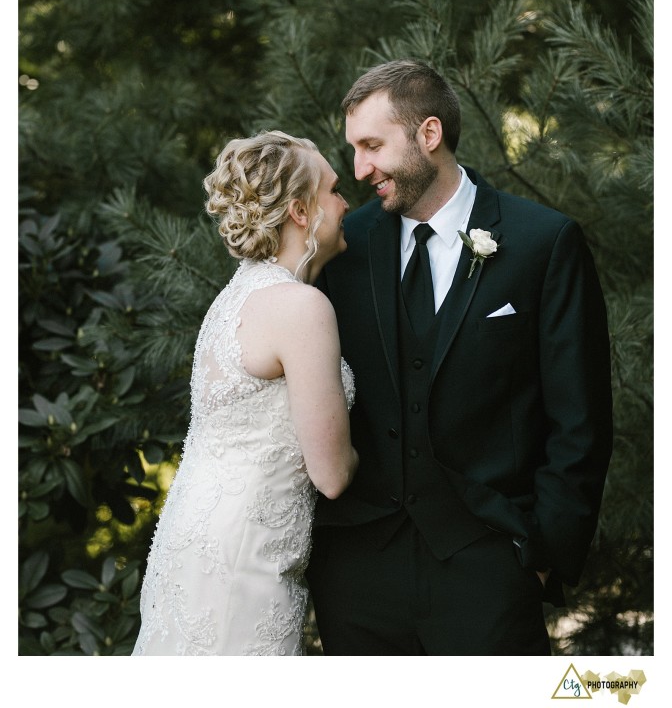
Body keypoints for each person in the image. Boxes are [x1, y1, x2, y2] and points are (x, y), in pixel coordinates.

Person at [306, 59, 612, 656]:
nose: (359, 168)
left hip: (490, 568)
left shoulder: (542, 242)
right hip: (357, 575)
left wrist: (541, 557)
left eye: (372, 145)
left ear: (429, 134)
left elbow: (580, 419)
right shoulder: (342, 249)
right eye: (353, 149)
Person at [132, 130, 357, 656]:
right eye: (334, 190)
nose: (346, 203)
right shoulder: (299, 306)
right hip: (244, 564)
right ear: (302, 212)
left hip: (192, 543)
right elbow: (332, 475)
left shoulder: (233, 298)